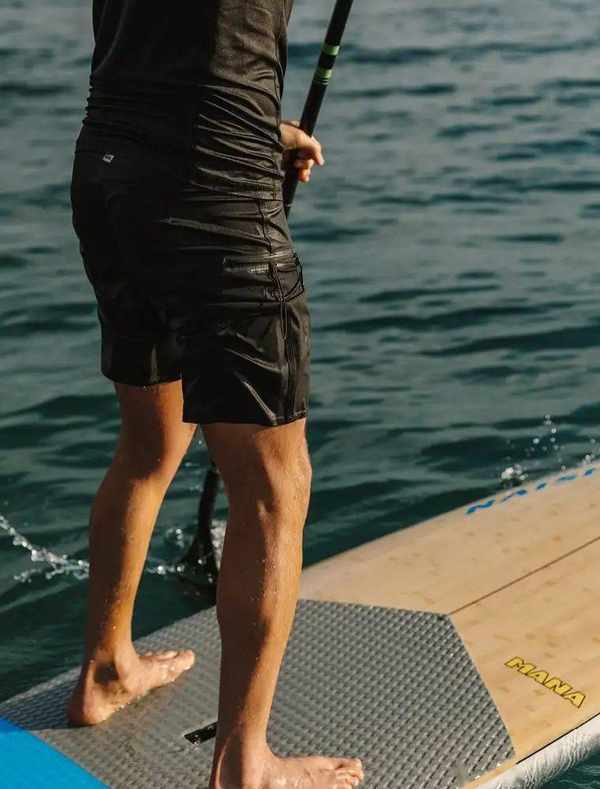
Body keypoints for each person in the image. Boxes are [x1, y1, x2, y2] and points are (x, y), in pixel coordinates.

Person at [66, 2, 364, 788]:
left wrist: (257, 131)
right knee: (274, 488)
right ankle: (245, 765)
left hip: (111, 173)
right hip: (215, 194)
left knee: (151, 445)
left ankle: (106, 668)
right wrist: (241, 141)